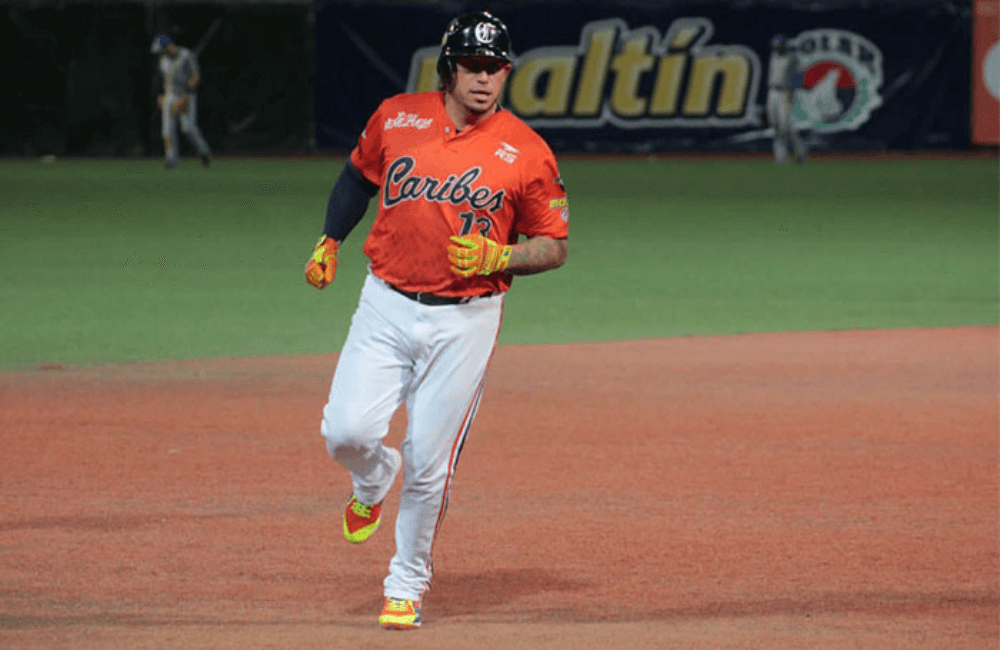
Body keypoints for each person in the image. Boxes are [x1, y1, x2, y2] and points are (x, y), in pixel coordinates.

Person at [303, 10, 569, 631]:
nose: (484, 78)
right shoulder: (397, 116)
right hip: (385, 303)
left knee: (430, 460)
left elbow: (554, 244)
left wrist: (500, 254)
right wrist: (330, 239)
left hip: (466, 321)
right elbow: (356, 177)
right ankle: (372, 479)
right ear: (449, 67)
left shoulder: (527, 151)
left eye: (495, 67)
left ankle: (405, 584)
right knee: (344, 433)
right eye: (473, 66)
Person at [150, 34, 212, 169]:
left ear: (168, 46)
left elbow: (195, 76)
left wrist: (186, 97)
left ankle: (204, 152)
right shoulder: (163, 61)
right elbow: (164, 80)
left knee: (188, 128)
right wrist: (162, 96)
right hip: (170, 96)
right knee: (167, 131)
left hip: (186, 95)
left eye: (161, 49)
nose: (160, 52)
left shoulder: (186, 55)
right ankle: (171, 160)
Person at [766, 34, 807, 165]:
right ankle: (781, 157)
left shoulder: (792, 57)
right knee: (776, 126)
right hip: (772, 92)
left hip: (785, 92)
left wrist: (793, 92)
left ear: (784, 46)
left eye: (778, 46)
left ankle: (799, 151)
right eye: (774, 46)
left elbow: (799, 75)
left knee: (784, 127)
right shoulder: (774, 55)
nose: (775, 48)